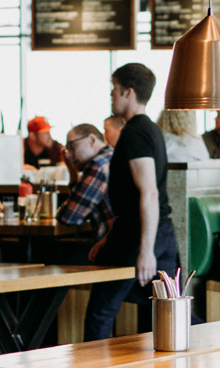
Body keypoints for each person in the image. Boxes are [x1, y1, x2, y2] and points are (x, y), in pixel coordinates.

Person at [84, 63, 186, 341]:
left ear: (128, 92)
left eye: (114, 91)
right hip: (154, 231)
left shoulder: (134, 133)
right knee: (171, 308)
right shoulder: (149, 129)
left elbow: (149, 192)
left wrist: (145, 249)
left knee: (101, 312)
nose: (111, 97)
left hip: (139, 234)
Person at [58, 124, 115, 262]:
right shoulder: (112, 155)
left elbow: (69, 216)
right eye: (67, 149)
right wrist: (73, 173)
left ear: (91, 140)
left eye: (72, 147)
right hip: (122, 242)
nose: (69, 155)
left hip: (112, 247)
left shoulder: (98, 165)